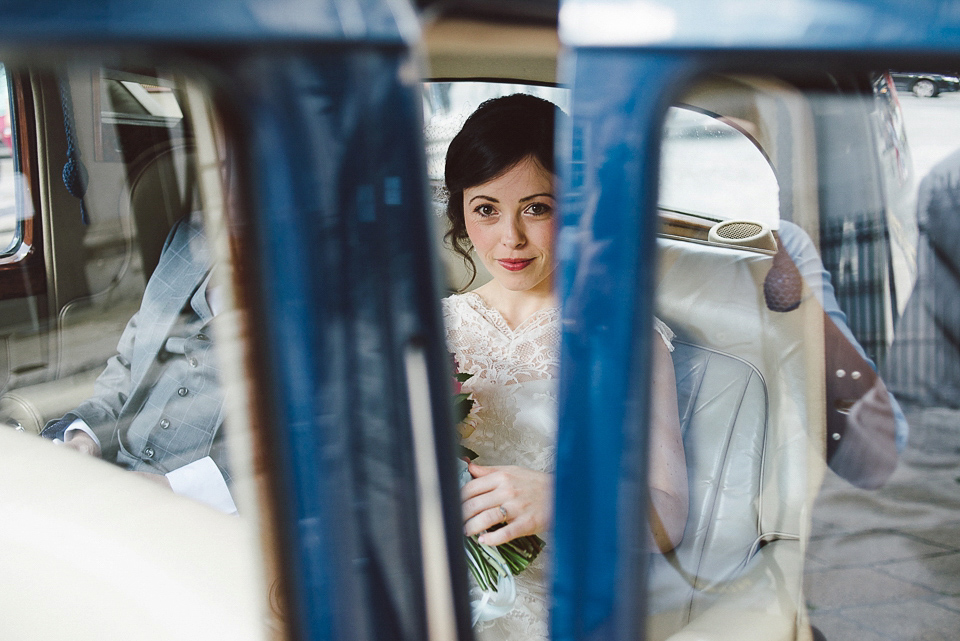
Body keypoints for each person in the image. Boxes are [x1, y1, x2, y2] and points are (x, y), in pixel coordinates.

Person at [441, 94, 688, 640]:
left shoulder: (622, 337)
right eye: (486, 209)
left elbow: (668, 519)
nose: (511, 237)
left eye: (537, 208)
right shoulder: (427, 329)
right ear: (461, 211)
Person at [41, 211, 236, 515]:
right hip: (113, 478)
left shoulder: (323, 278)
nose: (229, 179)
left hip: (210, 520)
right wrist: (85, 436)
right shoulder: (187, 236)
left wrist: (178, 489)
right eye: (223, 163)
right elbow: (130, 363)